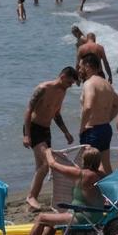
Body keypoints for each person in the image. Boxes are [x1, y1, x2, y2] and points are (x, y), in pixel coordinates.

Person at [16, 148, 106, 235]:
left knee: (41, 218)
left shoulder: (80, 174)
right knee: (52, 223)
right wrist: (92, 150)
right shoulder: (102, 174)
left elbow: (53, 164)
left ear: (84, 160)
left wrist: (48, 152)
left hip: (81, 216)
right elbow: (99, 164)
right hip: (96, 217)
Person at [23, 67, 78, 211]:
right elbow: (28, 110)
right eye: (70, 82)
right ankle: (31, 196)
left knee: (41, 166)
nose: (70, 85)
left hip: (46, 131)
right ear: (63, 76)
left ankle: (32, 205)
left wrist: (66, 132)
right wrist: (26, 135)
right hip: (34, 129)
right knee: (47, 163)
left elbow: (56, 113)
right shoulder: (43, 88)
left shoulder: (63, 91)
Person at [79, 54, 118, 174]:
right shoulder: (106, 83)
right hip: (105, 128)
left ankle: (93, 192)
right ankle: (110, 192)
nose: (79, 69)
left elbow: (88, 107)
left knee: (90, 169)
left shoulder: (89, 83)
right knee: (106, 165)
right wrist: (107, 119)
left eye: (81, 66)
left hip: (92, 130)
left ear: (88, 66)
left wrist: (82, 127)